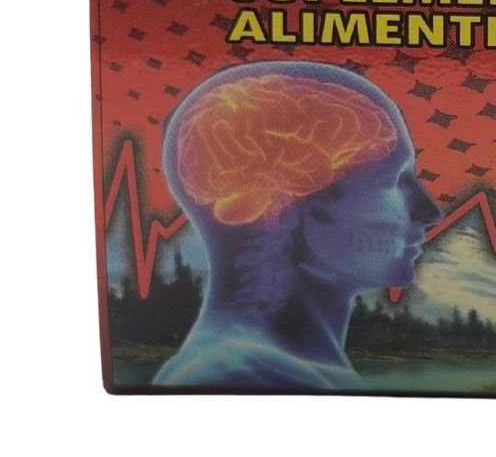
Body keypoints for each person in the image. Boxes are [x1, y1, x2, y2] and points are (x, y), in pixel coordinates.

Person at [154, 61, 441, 389]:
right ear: (283, 207)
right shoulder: (240, 380)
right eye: (391, 180)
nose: (428, 211)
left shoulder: (291, 373)